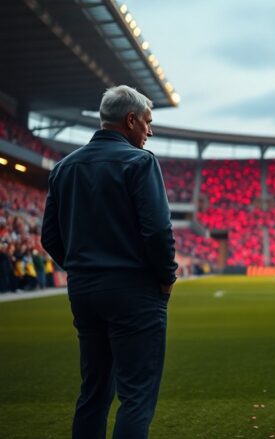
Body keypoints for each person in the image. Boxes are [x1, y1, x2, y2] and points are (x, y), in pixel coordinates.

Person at [41, 85, 177, 439]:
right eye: (147, 123)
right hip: (134, 291)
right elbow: (158, 230)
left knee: (94, 391)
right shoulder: (140, 161)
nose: (149, 131)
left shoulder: (63, 168)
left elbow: (49, 238)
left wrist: (82, 271)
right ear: (130, 120)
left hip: (84, 290)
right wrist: (166, 276)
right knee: (136, 396)